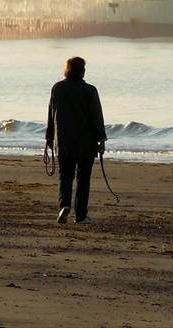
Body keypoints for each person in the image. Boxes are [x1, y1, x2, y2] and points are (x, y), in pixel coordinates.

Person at [46, 57, 107, 224]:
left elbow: (52, 114)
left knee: (65, 176)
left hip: (64, 141)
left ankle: (64, 205)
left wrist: (49, 137)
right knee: (83, 179)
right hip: (86, 143)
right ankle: (81, 215)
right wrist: (101, 138)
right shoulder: (90, 90)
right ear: (82, 71)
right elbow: (96, 116)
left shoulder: (57, 88)